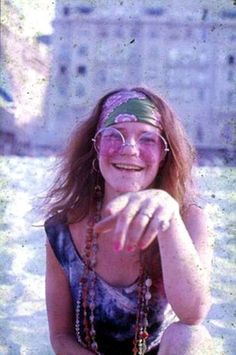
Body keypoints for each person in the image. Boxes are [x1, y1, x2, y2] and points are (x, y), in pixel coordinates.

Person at [44, 87, 213, 355]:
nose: (129, 149)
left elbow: (193, 314)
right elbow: (61, 336)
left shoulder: (189, 218)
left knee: (190, 336)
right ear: (96, 146)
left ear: (164, 154)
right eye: (114, 135)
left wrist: (168, 217)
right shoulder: (63, 229)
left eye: (148, 139)